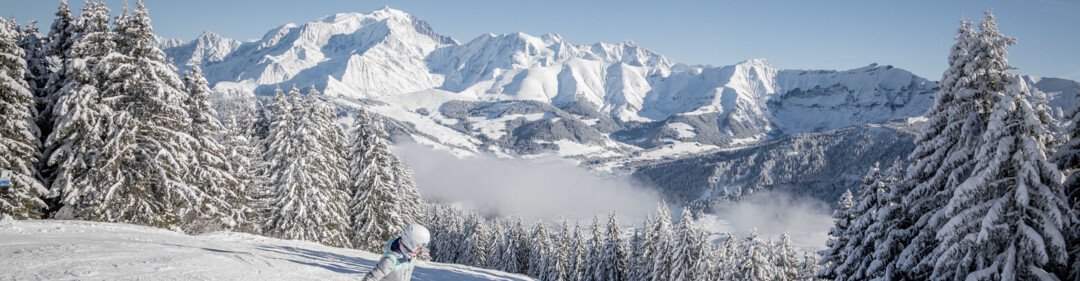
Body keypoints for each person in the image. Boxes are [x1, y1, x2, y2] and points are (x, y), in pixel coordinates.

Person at [361, 224, 430, 281]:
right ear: (411, 243)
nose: (421, 249)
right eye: (420, 246)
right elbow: (371, 278)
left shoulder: (410, 257)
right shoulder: (390, 259)